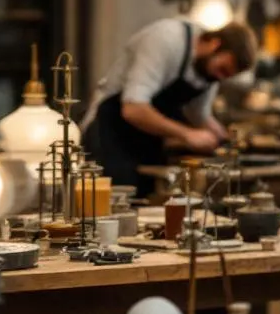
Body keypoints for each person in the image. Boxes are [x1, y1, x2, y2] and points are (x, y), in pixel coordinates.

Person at [83, 18, 258, 191]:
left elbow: (198, 115)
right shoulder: (166, 41)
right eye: (222, 69)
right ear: (215, 44)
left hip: (145, 140)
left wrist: (225, 138)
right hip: (109, 131)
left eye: (226, 76)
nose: (220, 78)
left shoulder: (207, 69)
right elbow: (133, 109)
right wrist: (188, 135)